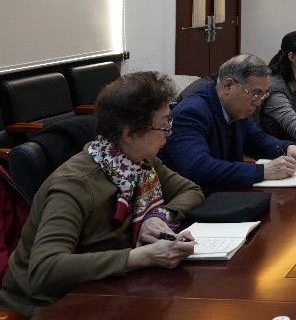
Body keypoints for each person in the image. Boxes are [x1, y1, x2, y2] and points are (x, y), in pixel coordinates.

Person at [0, 72, 203, 317]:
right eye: (163, 126)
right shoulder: (74, 185)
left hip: (110, 287)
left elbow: (191, 190)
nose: (168, 133)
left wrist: (158, 215)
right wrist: (141, 256)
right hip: (48, 303)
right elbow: (45, 269)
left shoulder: (139, 162)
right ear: (129, 134)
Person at [158, 54, 296, 193]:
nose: (258, 102)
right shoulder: (190, 113)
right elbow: (199, 168)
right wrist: (263, 171)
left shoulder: (235, 108)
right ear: (228, 85)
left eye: (263, 95)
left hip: (227, 194)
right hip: (196, 201)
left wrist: (287, 148)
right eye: (255, 93)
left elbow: (257, 140)